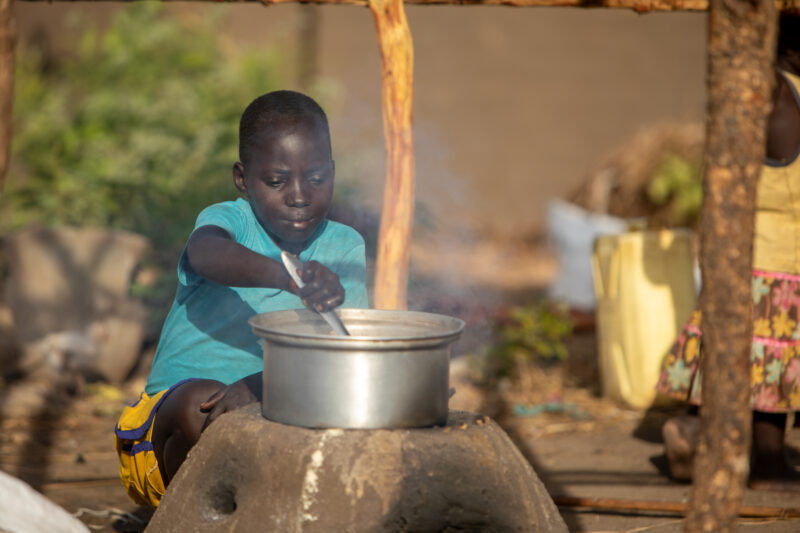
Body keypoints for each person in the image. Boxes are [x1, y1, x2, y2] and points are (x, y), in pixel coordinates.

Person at [113, 90, 368, 507]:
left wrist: (264, 384)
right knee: (207, 405)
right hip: (163, 444)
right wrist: (290, 276)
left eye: (317, 178)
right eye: (276, 181)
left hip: (275, 421)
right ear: (243, 179)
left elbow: (347, 350)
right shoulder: (230, 222)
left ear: (334, 175)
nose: (300, 195)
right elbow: (206, 253)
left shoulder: (344, 247)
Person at [656, 15, 800, 491]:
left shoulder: (775, 93)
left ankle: (696, 432)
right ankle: (766, 463)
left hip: (754, 256)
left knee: (747, 365)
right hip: (777, 263)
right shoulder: (777, 93)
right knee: (765, 372)